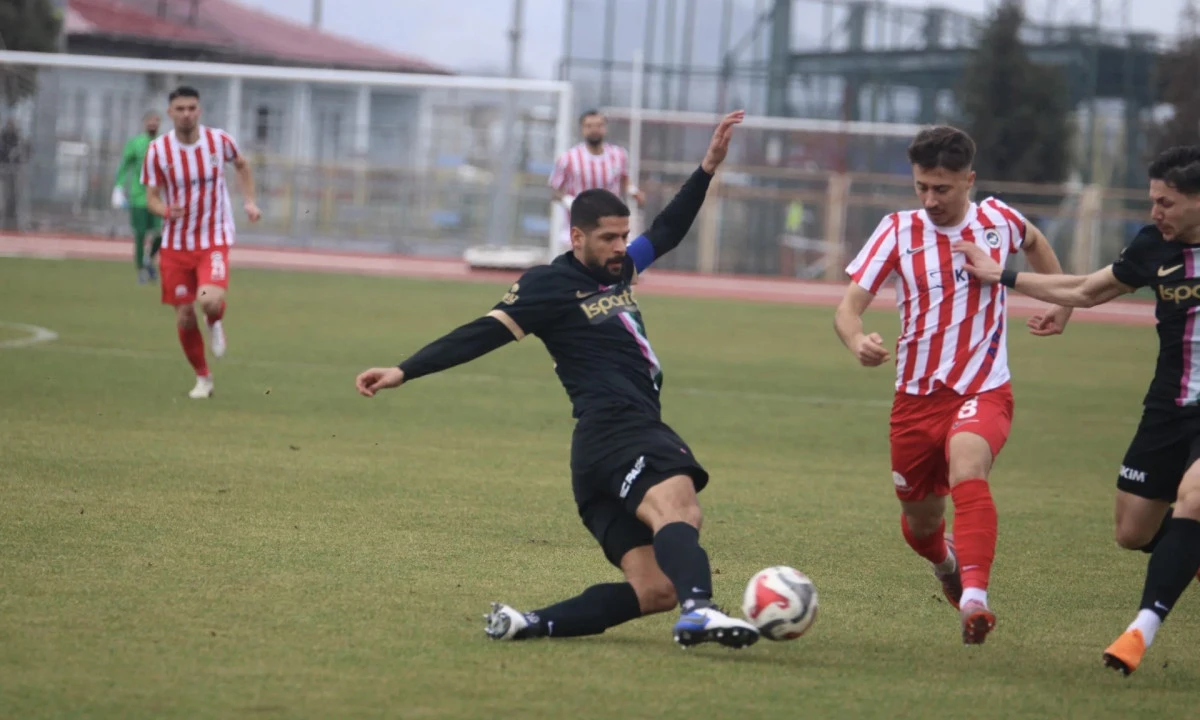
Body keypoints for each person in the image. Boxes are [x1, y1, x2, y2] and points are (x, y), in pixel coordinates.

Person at [355, 112, 760, 649]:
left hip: (596, 454)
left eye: (624, 236)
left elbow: (666, 230)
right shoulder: (550, 285)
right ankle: (701, 610)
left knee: (654, 588)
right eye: (609, 238)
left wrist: (707, 168)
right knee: (680, 505)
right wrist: (405, 370)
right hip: (619, 430)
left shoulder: (619, 271)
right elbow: (481, 333)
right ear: (576, 237)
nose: (621, 247)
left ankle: (529, 622)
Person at [954, 145, 1200, 674]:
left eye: (1167, 202)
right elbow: (1088, 289)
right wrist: (1006, 277)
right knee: (1132, 531)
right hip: (1168, 407)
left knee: (1193, 496)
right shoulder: (1154, 246)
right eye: (1152, 200)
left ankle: (1140, 631)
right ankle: (1188, 547)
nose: (1155, 212)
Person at [833, 126, 1072, 645]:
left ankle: (975, 601)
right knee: (921, 525)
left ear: (970, 180)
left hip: (983, 389)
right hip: (915, 400)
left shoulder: (998, 220)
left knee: (968, 465)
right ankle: (947, 565)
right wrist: (857, 342)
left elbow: (1035, 240)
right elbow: (847, 309)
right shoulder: (897, 229)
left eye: (942, 188)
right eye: (922, 186)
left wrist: (1061, 302)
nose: (930, 199)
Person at [142, 86, 261, 399]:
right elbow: (151, 199)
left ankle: (214, 321)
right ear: (170, 113)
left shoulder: (218, 140)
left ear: (200, 110)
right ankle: (203, 378)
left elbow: (242, 165)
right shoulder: (158, 151)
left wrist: (249, 202)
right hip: (176, 244)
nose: (186, 114)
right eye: (180, 108)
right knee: (183, 314)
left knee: (208, 299)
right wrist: (167, 211)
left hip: (214, 238)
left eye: (192, 108)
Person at [549, 110, 645, 251]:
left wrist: (633, 191)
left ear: (605, 128)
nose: (594, 130)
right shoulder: (568, 158)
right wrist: (568, 200)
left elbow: (625, 179)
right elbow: (554, 190)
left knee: (614, 268)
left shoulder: (619, 155)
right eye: (589, 126)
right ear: (582, 129)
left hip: (611, 227)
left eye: (599, 125)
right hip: (578, 227)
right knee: (577, 270)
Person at [113, 111, 164, 283]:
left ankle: (149, 259)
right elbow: (124, 166)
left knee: (160, 233)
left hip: (157, 198)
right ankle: (141, 270)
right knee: (140, 234)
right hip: (139, 197)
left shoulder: (164, 144)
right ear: (144, 123)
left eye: (155, 121)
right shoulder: (135, 144)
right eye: (149, 120)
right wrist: (118, 188)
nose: (152, 124)